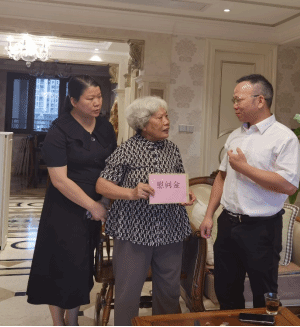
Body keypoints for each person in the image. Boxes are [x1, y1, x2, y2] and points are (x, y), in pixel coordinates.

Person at [199, 74, 300, 310]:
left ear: (260, 100)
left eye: (239, 100)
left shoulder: (284, 138)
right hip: (228, 224)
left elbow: (288, 185)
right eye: (233, 100)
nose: (235, 105)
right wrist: (209, 215)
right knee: (226, 292)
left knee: (263, 296)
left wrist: (245, 168)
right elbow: (222, 176)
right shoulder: (236, 135)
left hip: (262, 229)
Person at [96, 96, 196, 326]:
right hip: (133, 230)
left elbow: (178, 182)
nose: (166, 122)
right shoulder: (126, 150)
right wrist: (131, 192)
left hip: (170, 229)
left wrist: (185, 194)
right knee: (128, 292)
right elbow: (102, 185)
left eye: (166, 116)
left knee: (169, 292)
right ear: (143, 123)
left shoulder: (172, 149)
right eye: (160, 118)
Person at [27, 75, 117, 327]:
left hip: (94, 208)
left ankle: (73, 319)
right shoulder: (59, 130)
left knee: (80, 266)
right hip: (65, 208)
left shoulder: (105, 127)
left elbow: (112, 165)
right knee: (59, 266)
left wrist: (105, 200)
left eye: (99, 97)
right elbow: (59, 180)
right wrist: (93, 205)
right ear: (74, 101)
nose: (97, 103)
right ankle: (59, 323)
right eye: (90, 98)